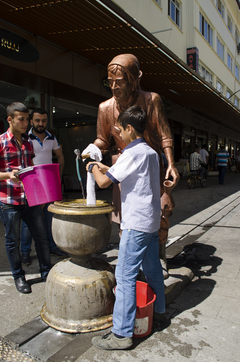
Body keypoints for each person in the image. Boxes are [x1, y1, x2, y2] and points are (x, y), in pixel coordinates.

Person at [93, 54, 180, 277]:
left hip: (150, 164)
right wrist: (92, 151)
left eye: (119, 81)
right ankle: (131, 259)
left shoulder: (151, 100)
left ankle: (158, 258)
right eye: (110, 82)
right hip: (123, 166)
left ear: (134, 79)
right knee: (125, 217)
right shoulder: (105, 108)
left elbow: (164, 134)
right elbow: (102, 140)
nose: (114, 87)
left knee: (158, 214)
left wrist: (170, 163)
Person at [88, 106, 165, 350]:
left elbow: (102, 182)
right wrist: (103, 167)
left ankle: (121, 334)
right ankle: (159, 310)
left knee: (125, 276)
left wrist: (91, 167)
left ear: (130, 128)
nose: (119, 132)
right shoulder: (150, 152)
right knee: (152, 269)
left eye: (121, 128)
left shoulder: (131, 154)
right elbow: (121, 175)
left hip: (136, 224)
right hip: (151, 221)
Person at [0, 102, 52, 293]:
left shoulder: (28, 143)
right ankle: (19, 277)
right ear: (10, 119)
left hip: (29, 199)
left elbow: (30, 171)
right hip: (9, 201)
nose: (25, 123)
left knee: (41, 237)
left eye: (26, 119)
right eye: (20, 119)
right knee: (12, 241)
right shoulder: (1, 142)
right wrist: (8, 175)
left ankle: (46, 272)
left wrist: (38, 196)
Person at [20, 108, 67, 265]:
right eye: (38, 120)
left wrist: (58, 179)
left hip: (49, 184)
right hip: (32, 185)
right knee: (30, 221)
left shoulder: (51, 137)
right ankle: (25, 252)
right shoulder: (24, 138)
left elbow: (60, 157)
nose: (41, 124)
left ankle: (52, 247)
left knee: (49, 217)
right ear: (31, 121)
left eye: (44, 120)